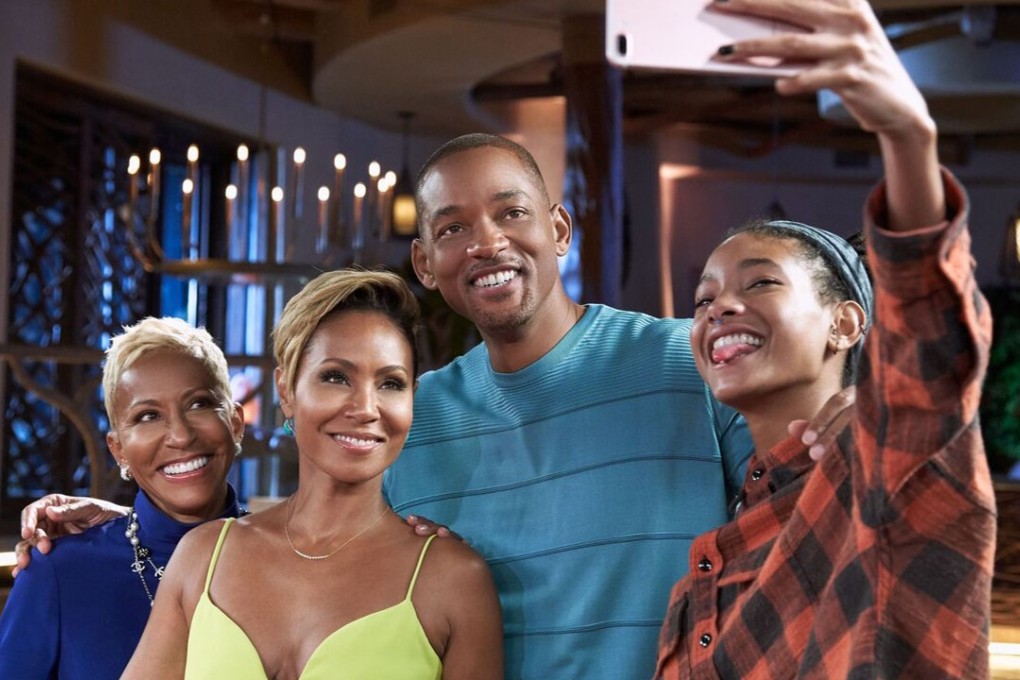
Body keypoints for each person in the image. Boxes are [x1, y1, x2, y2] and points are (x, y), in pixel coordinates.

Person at [654, 0, 995, 677]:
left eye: (759, 284)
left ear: (846, 321)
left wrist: (906, 136)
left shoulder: (887, 474)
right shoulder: (721, 539)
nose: (720, 307)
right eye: (704, 297)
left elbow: (928, 361)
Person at [120, 269, 503, 679]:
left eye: (391, 383)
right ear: (286, 390)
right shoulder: (202, 557)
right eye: (336, 377)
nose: (366, 408)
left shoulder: (454, 581)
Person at [0, 317, 246, 679]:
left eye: (198, 404)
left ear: (235, 423)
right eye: (148, 416)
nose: (179, 435)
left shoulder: (285, 560)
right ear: (118, 451)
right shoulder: (59, 573)